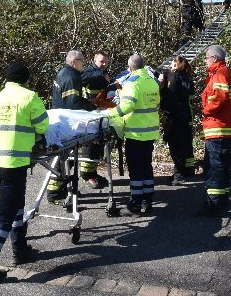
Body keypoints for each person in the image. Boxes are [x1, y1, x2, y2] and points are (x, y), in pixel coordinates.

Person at [0, 61, 49, 285]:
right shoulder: (29, 97)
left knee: (16, 204)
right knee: (6, 216)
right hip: (13, 163)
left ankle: (20, 249)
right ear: (25, 79)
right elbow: (43, 126)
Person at [106, 54, 160, 215]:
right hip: (150, 131)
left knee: (136, 168)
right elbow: (156, 102)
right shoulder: (152, 81)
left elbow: (126, 107)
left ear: (130, 68)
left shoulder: (132, 82)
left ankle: (135, 204)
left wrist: (110, 113)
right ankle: (147, 199)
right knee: (146, 166)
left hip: (136, 132)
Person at [46, 50, 96, 204]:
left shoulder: (65, 73)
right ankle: (54, 193)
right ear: (74, 62)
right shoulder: (71, 77)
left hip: (60, 120)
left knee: (65, 159)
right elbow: (72, 103)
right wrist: (90, 106)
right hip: (66, 123)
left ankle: (62, 190)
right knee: (63, 160)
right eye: (82, 60)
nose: (84, 63)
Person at [198, 45, 231, 217]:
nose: (205, 61)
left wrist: (206, 109)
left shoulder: (220, 73)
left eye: (206, 58)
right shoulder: (223, 72)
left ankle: (214, 205)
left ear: (213, 58)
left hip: (217, 128)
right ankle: (221, 200)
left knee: (215, 168)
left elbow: (219, 98)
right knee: (221, 167)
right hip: (222, 127)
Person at [158, 55, 195, 185]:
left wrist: (163, 79)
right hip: (185, 115)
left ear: (176, 65)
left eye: (172, 63)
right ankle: (185, 171)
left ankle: (179, 175)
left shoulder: (172, 77)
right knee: (184, 144)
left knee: (175, 146)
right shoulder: (187, 78)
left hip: (173, 117)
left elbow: (169, 94)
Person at [79, 51, 112, 188]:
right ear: (94, 61)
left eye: (105, 62)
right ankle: (86, 175)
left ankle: (92, 172)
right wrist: (102, 74)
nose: (103, 64)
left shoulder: (102, 73)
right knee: (90, 145)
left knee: (98, 145)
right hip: (89, 114)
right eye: (101, 61)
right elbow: (83, 78)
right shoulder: (90, 72)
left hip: (100, 113)